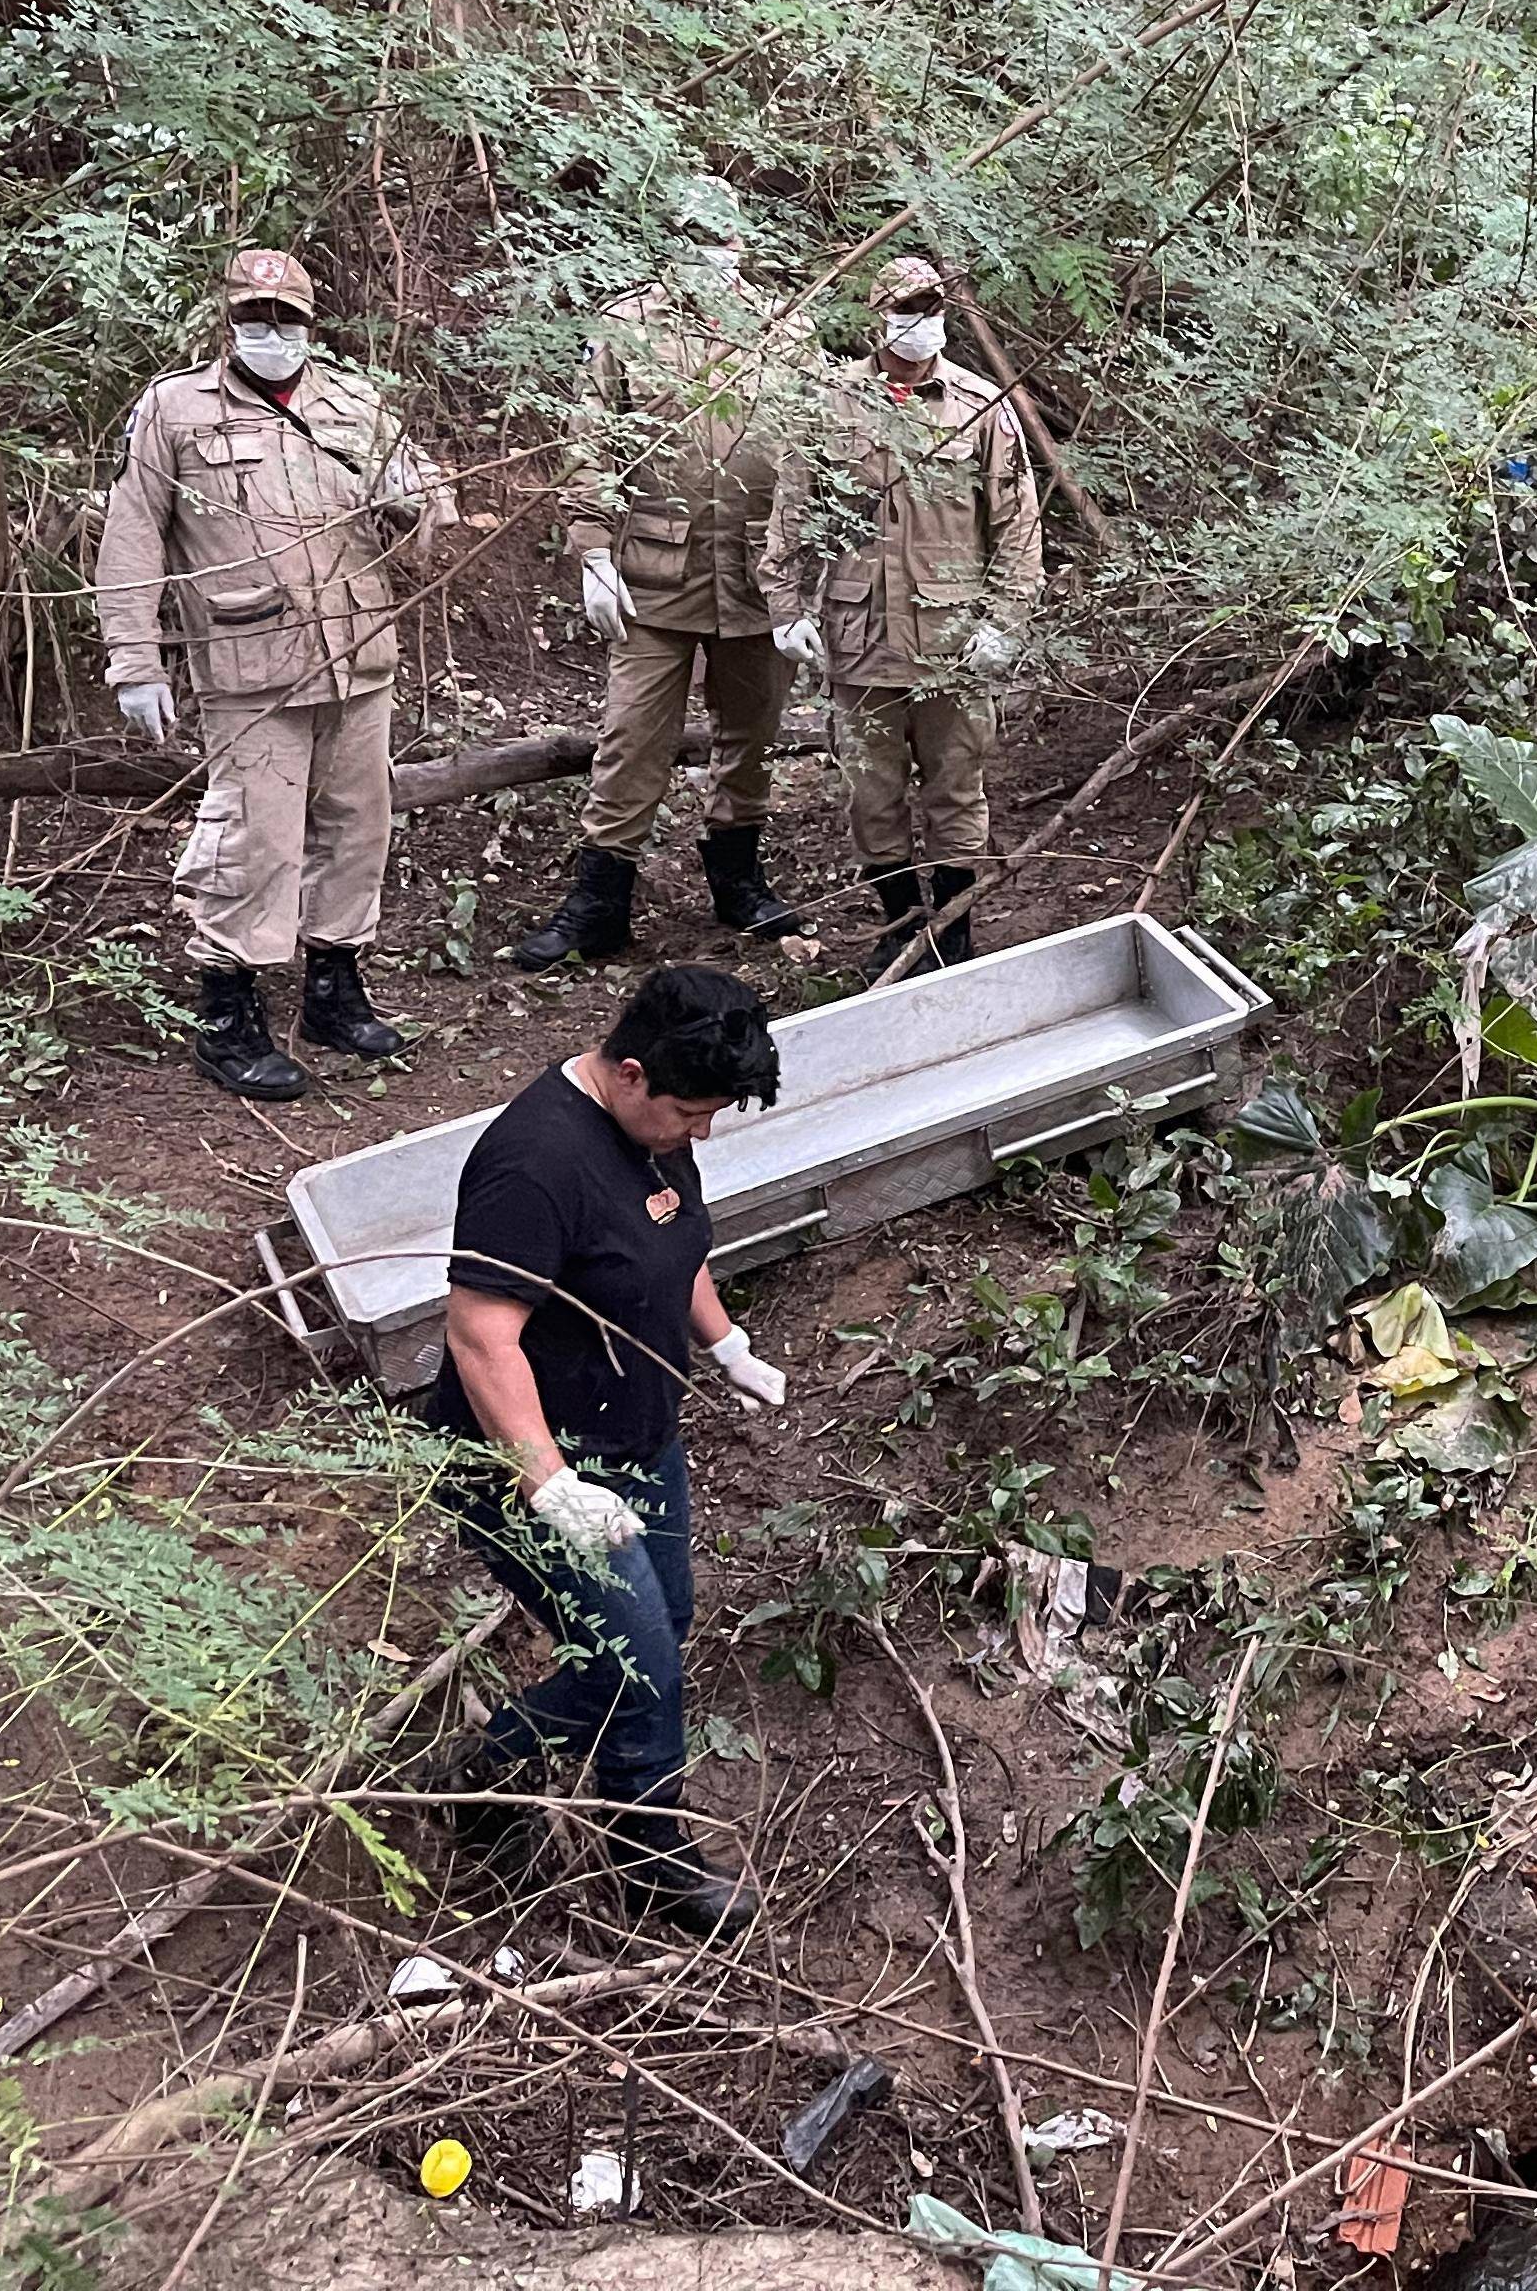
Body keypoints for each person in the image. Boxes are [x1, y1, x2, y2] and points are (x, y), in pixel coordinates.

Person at [420, 965, 788, 1937]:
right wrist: (549, 1487)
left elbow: (680, 1245)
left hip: (639, 1438)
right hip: (528, 1468)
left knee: (666, 1617)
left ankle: (492, 1766)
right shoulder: (534, 1164)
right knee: (636, 1660)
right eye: (691, 1113)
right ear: (630, 1074)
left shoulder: (656, 1138)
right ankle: (648, 1855)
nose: (700, 1133)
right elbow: (480, 1337)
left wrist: (725, 1342)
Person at [96, 246, 435, 1101]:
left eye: (286, 317)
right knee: (254, 839)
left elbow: (426, 517)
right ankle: (228, 1010)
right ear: (230, 319)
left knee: (359, 827)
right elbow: (132, 536)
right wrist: (137, 661)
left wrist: (413, 506)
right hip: (252, 668)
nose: (270, 331)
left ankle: (333, 987)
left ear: (311, 323)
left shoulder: (356, 406)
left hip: (359, 655)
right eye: (255, 315)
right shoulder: (176, 410)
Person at [510, 218, 811, 968]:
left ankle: (738, 882)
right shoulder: (629, 323)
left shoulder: (787, 329)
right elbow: (592, 444)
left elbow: (813, 462)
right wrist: (593, 555)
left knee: (752, 733)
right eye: (698, 233)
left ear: (747, 243)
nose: (714, 248)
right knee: (632, 735)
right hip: (653, 575)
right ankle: (600, 903)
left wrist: (801, 579)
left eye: (727, 235)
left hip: (754, 577)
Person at [770, 255, 1045, 980]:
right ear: (879, 316)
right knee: (872, 792)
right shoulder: (830, 404)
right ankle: (899, 928)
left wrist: (1007, 620)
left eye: (933, 307)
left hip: (954, 643)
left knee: (957, 789)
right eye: (907, 308)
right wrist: (784, 606)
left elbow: (1017, 523)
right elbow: (790, 513)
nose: (921, 321)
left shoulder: (981, 406)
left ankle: (953, 931)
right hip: (860, 639)